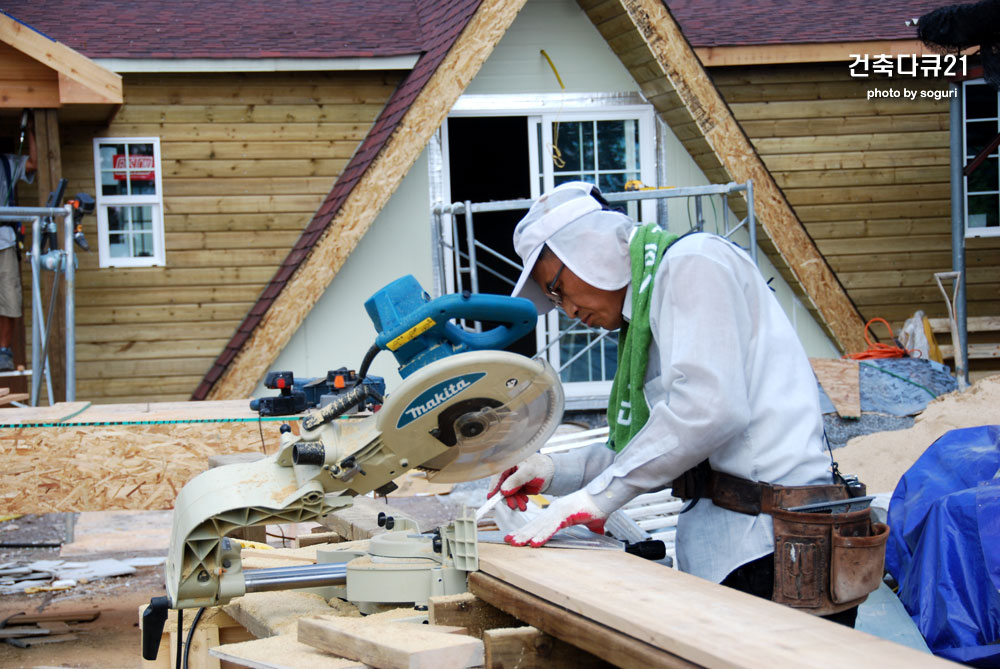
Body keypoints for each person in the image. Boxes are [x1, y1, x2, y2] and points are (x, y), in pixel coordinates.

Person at [490, 180, 869, 626]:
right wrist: (554, 471)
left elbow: (707, 413)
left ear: (589, 249)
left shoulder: (693, 264)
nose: (567, 310)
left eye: (557, 288)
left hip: (775, 548)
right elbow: (657, 446)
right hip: (745, 548)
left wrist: (596, 499)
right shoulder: (652, 307)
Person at [0, 111, 36, 372]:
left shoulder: (7, 163)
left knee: (9, 298)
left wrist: (31, 128)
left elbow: (35, 162)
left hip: (4, 240)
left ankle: (3, 351)